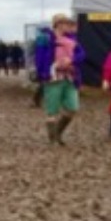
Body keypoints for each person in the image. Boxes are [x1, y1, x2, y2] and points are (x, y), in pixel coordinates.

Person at [35, 14, 79, 145]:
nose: (68, 26)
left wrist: (72, 60)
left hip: (70, 77)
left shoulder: (71, 39)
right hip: (52, 77)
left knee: (73, 107)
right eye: (65, 23)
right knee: (52, 110)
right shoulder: (45, 38)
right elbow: (39, 57)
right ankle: (53, 139)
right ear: (58, 24)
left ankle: (58, 133)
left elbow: (81, 54)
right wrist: (43, 73)